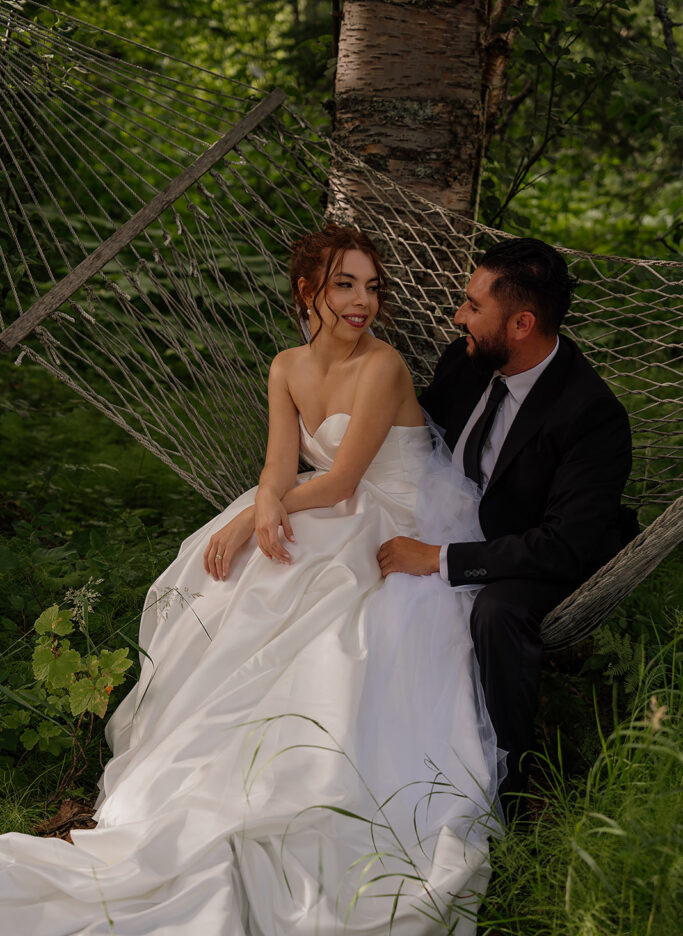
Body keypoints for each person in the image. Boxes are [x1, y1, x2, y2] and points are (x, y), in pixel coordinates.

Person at [0, 224, 501, 935]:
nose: (363, 301)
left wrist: (261, 511)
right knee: (238, 566)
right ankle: (206, 767)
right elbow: (279, 464)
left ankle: (296, 765)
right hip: (322, 496)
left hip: (393, 510)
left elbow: (342, 481)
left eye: (371, 286)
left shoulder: (382, 366)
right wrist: (262, 501)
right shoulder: (285, 365)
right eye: (344, 285)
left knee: (308, 576)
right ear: (307, 292)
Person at [378, 237, 634, 816]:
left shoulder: (592, 416)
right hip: (450, 525)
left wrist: (442, 559)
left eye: (473, 306)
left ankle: (511, 785)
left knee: (495, 609)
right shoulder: (465, 361)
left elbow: (564, 543)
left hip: (538, 555)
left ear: (520, 324)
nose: (458, 317)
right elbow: (417, 444)